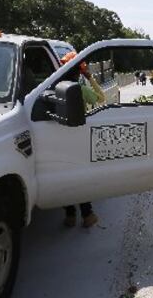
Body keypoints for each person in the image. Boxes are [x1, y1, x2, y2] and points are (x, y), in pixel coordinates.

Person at [60, 52, 106, 228]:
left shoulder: (53, 86)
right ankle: (87, 214)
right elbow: (101, 98)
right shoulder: (79, 89)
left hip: (58, 138)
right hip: (78, 137)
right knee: (79, 178)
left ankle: (70, 215)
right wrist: (91, 78)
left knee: (64, 178)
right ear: (80, 72)